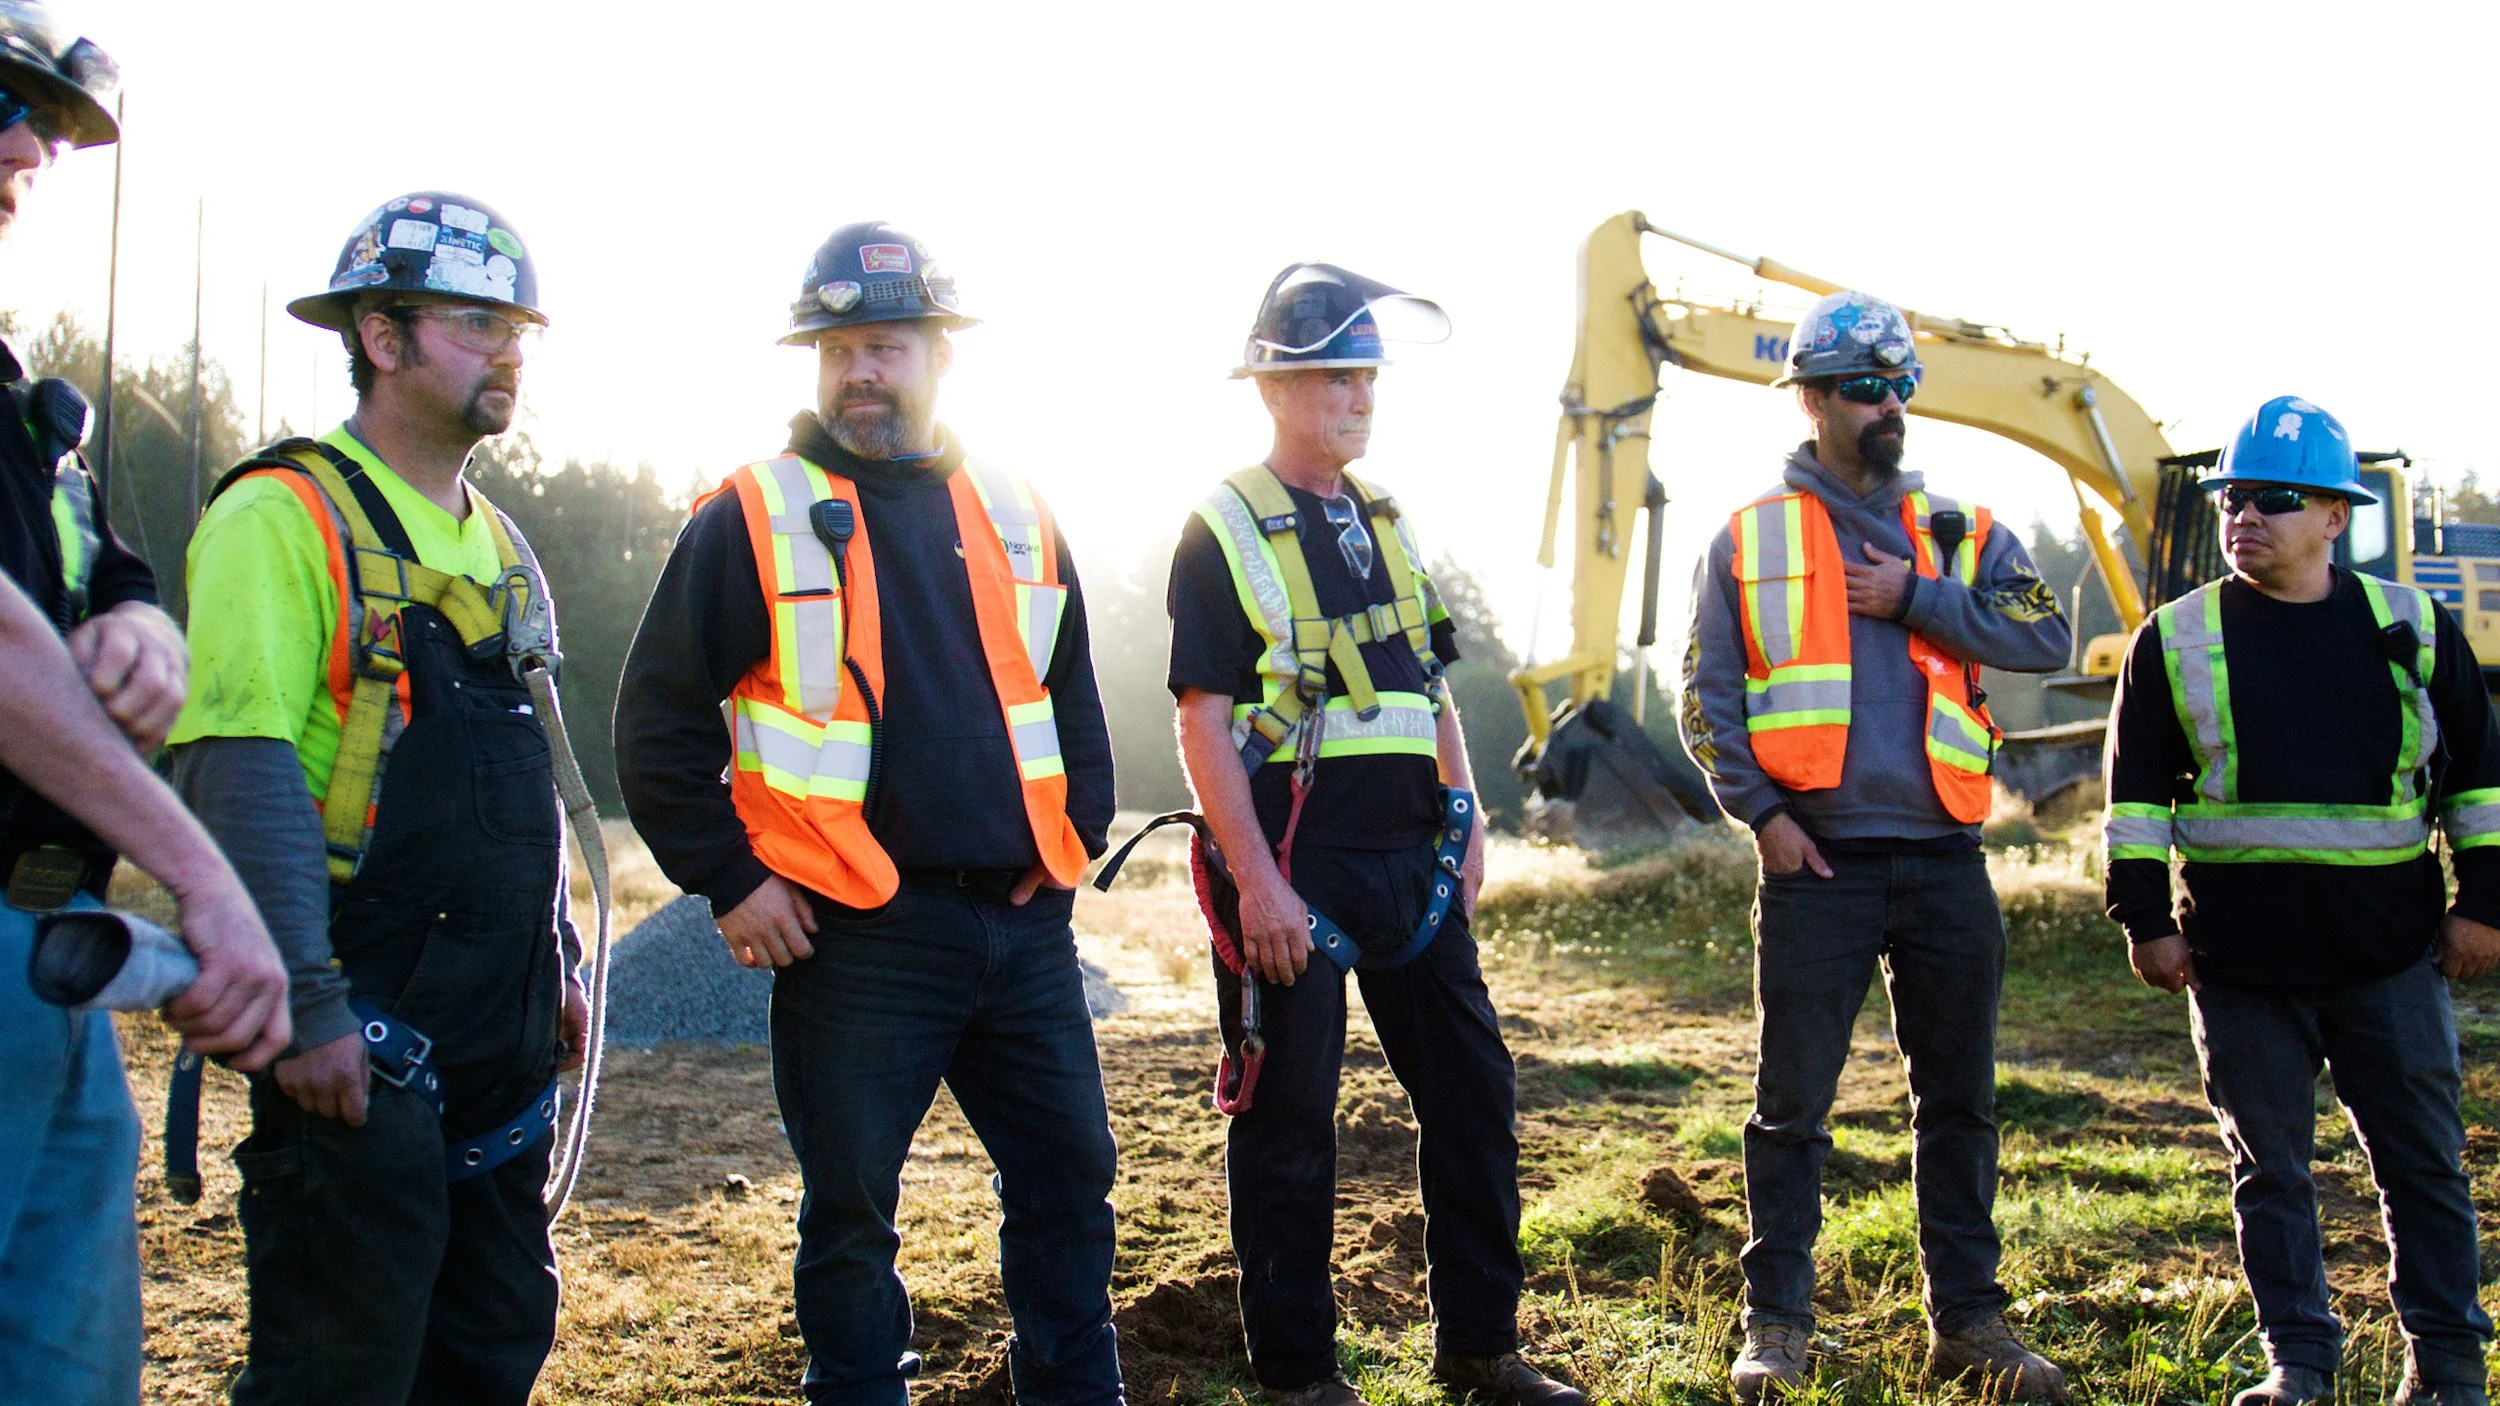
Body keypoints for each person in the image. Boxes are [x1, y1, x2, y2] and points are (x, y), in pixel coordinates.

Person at [615, 221, 1122, 1406]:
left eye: (886, 344)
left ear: (939, 356)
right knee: (850, 1213)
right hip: (857, 937)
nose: (860, 371)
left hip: (1020, 926)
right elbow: (658, 719)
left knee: (1071, 1179)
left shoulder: (1017, 505)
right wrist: (729, 878)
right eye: (838, 347)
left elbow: (1075, 693)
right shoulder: (753, 512)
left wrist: (1075, 836)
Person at [167, 192, 588, 1406]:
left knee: (490, 1346)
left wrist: (553, 954)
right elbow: (235, 767)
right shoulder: (281, 515)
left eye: (518, 326)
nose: (506, 349)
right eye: (472, 321)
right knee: (343, 1373)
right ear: (381, 336)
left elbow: (528, 783)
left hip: (498, 1028)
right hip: (360, 1027)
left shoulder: (501, 546)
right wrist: (302, 1003)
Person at [1165, 262, 1579, 1406]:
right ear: (1274, 386)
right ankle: (1299, 1379)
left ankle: (1481, 1349)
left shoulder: (1383, 520)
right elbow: (1200, 721)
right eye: (1335, 377)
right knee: (1289, 1126)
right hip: (1295, 872)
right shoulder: (1224, 526)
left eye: (1366, 377)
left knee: (1474, 1093)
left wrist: (1469, 811)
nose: (1359, 397)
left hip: (1413, 865)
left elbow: (1428, 683)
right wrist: (1256, 887)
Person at [1679, 290, 2074, 1402]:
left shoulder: (1964, 531)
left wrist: (1918, 598)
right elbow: (1703, 696)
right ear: (1809, 398)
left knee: (1960, 1101)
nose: (1889, 403)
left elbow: (2044, 631)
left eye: (1901, 383)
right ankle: (1777, 1323)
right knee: (1790, 1107)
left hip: (1948, 860)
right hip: (1819, 869)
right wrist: (1762, 817)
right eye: (1863, 386)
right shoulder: (1749, 534)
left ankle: (1971, 1321)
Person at [0, 12, 289, 1401]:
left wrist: (140, 619)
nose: (27, 150)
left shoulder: (17, 407)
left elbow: (83, 574)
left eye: (46, 124)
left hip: (47, 964)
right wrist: (205, 879)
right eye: (3, 105)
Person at [2104, 395, 2497, 1406]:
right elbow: (2136, 794)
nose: (2245, 516)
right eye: (2234, 497)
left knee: (2422, 1168)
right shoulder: (2172, 637)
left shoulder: (2409, 626)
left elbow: (2480, 783)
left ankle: (2448, 1369)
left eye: (2273, 500)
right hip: (2237, 963)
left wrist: (2485, 901)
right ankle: (2300, 1363)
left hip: (2389, 953)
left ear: (2333, 515)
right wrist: (2143, 919)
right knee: (2269, 1174)